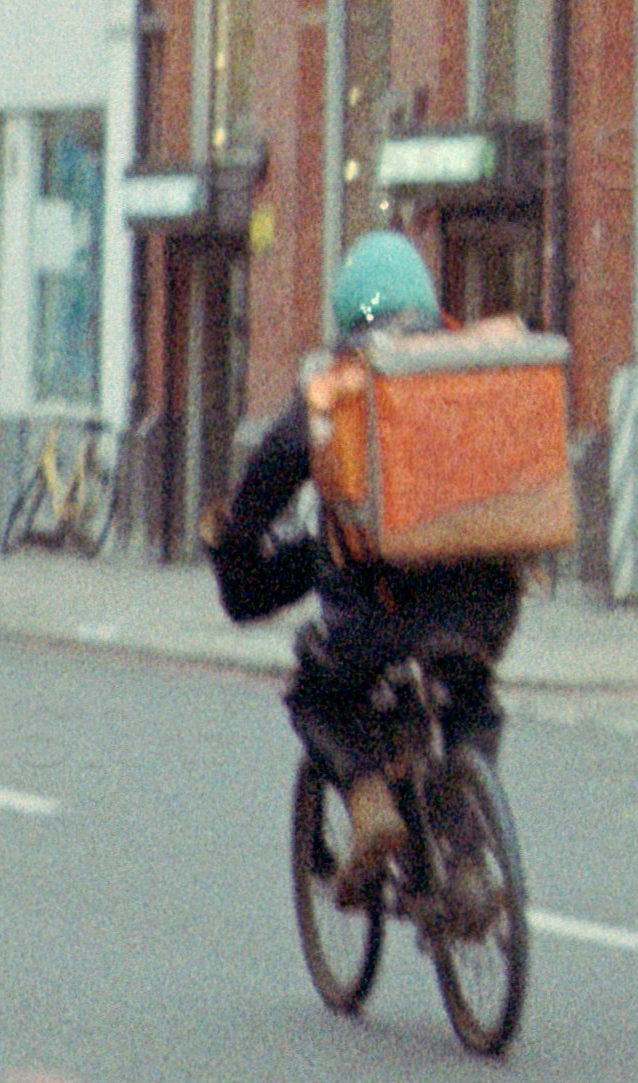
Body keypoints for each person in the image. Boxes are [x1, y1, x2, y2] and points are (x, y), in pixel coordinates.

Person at [209, 229, 516, 887]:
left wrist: (233, 537)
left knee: (318, 693)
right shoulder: (472, 372)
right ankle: (466, 856)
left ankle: (371, 802)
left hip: (378, 614)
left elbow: (265, 485)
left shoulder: (339, 391)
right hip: (483, 604)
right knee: (471, 698)